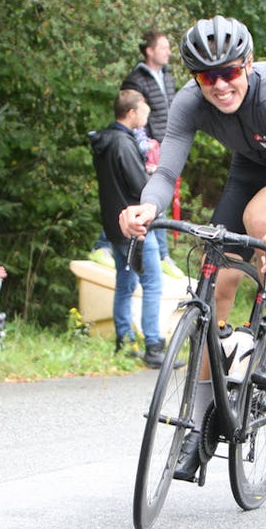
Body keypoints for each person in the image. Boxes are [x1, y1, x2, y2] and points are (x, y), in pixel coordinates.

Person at [118, 15, 266, 481]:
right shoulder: (189, 102)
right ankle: (198, 426)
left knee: (261, 221)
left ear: (248, 65)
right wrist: (146, 207)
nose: (219, 85)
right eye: (206, 76)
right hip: (249, 169)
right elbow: (166, 172)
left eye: (229, 72)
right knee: (215, 279)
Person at [90, 90, 165, 367]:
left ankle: (124, 341)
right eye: (144, 111)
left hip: (114, 225)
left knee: (125, 283)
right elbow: (139, 185)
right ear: (131, 113)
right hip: (136, 226)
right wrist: (154, 176)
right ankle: (153, 346)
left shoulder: (104, 140)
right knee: (152, 283)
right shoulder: (123, 143)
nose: (147, 117)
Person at [117, 31, 182, 276]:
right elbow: (133, 116)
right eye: (163, 48)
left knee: (160, 198)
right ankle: (107, 244)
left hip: (168, 145)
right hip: (147, 148)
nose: (168, 52)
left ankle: (162, 254)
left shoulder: (168, 76)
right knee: (147, 196)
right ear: (149, 51)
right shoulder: (136, 79)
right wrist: (147, 148)